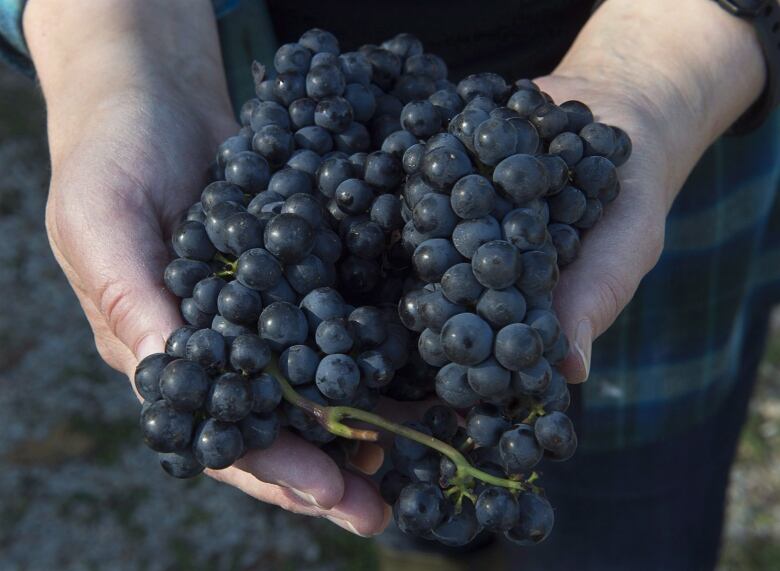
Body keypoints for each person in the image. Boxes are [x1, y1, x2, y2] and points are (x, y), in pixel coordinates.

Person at [1, 0, 777, 569]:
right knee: (408, 492)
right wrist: (117, 42)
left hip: (676, 128)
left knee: (633, 522)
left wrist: (678, 51)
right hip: (257, 80)